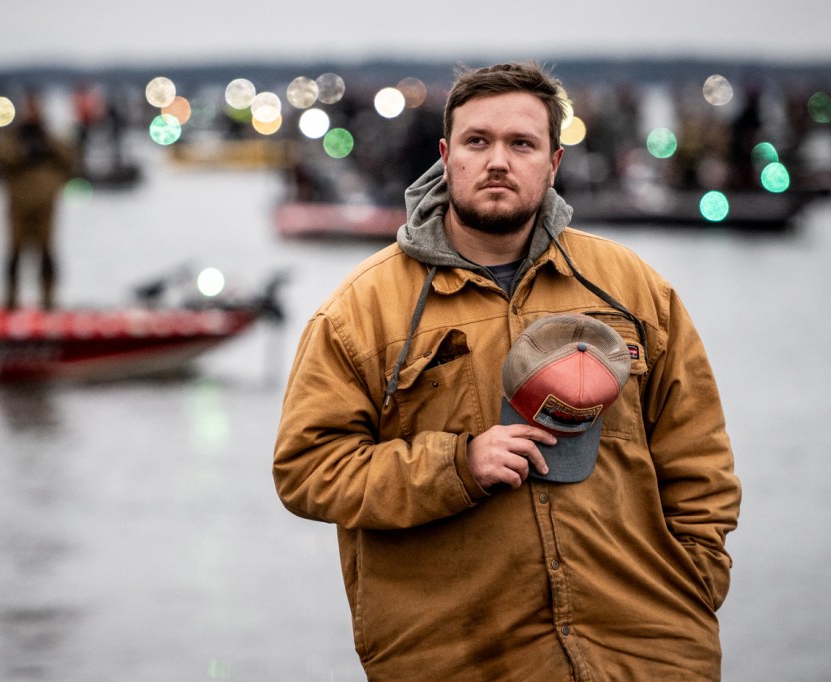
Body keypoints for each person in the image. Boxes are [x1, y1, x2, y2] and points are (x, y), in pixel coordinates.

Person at [273, 62, 741, 681]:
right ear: (447, 157)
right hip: (464, 661)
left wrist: (696, 579)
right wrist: (457, 465)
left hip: (648, 655)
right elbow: (306, 469)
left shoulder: (632, 288)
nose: (498, 161)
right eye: (478, 142)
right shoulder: (361, 311)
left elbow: (698, 452)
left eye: (522, 144)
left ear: (553, 163)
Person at [0, 90, 75, 310]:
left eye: (35, 108)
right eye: (29, 108)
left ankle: (48, 299)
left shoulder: (50, 137)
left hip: (46, 204)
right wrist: (24, 152)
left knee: (47, 253)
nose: (32, 113)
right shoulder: (13, 137)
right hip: (18, 205)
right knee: (14, 253)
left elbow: (69, 157)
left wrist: (46, 146)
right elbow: (1, 156)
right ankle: (10, 300)